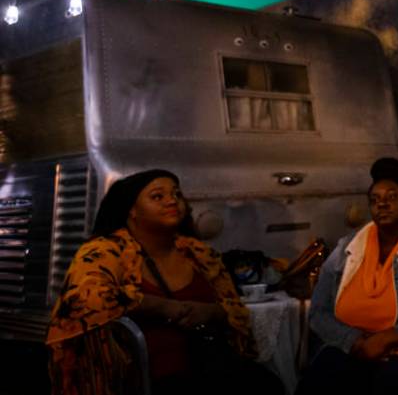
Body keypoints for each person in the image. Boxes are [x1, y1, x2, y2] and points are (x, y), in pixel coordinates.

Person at [47, 169, 283, 395]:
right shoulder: (104, 252)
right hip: (144, 379)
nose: (172, 201)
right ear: (132, 211)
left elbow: (235, 311)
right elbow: (84, 298)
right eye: (157, 196)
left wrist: (211, 312)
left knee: (268, 384)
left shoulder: (199, 254)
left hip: (211, 364)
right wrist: (163, 307)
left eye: (177, 194)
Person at [298, 158, 398, 395]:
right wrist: (356, 342)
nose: (382, 204)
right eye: (375, 200)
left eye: (391, 197)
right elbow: (319, 312)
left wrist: (393, 337)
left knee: (395, 377)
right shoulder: (348, 246)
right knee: (321, 376)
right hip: (352, 346)